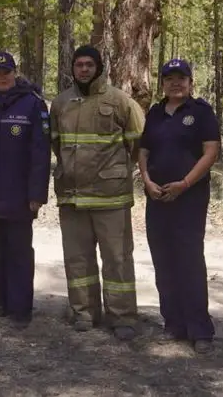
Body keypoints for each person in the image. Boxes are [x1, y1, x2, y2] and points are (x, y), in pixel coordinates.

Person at [50, 45, 144, 341]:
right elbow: (56, 144)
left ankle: (122, 316)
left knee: (117, 257)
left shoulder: (120, 101)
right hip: (72, 195)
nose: (84, 69)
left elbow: (138, 143)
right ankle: (84, 312)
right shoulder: (62, 102)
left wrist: (115, 170)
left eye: (90, 64)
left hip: (110, 196)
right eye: (79, 64)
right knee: (77, 259)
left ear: (99, 67)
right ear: (72, 68)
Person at [137, 59, 220, 354]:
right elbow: (144, 150)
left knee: (189, 261)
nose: (175, 83)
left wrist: (185, 183)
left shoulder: (201, 112)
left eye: (181, 78)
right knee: (163, 260)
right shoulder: (156, 113)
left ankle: (200, 329)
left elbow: (211, 152)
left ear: (190, 82)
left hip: (189, 198)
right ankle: (173, 323)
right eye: (169, 78)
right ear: (162, 83)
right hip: (157, 197)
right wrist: (146, 180)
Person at [0, 51, 50, 329]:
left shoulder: (33, 105)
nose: (2, 76)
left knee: (19, 252)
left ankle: (21, 308)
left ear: (15, 73)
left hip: (20, 195)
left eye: (7, 71)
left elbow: (40, 153)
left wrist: (36, 195)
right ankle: (3, 302)